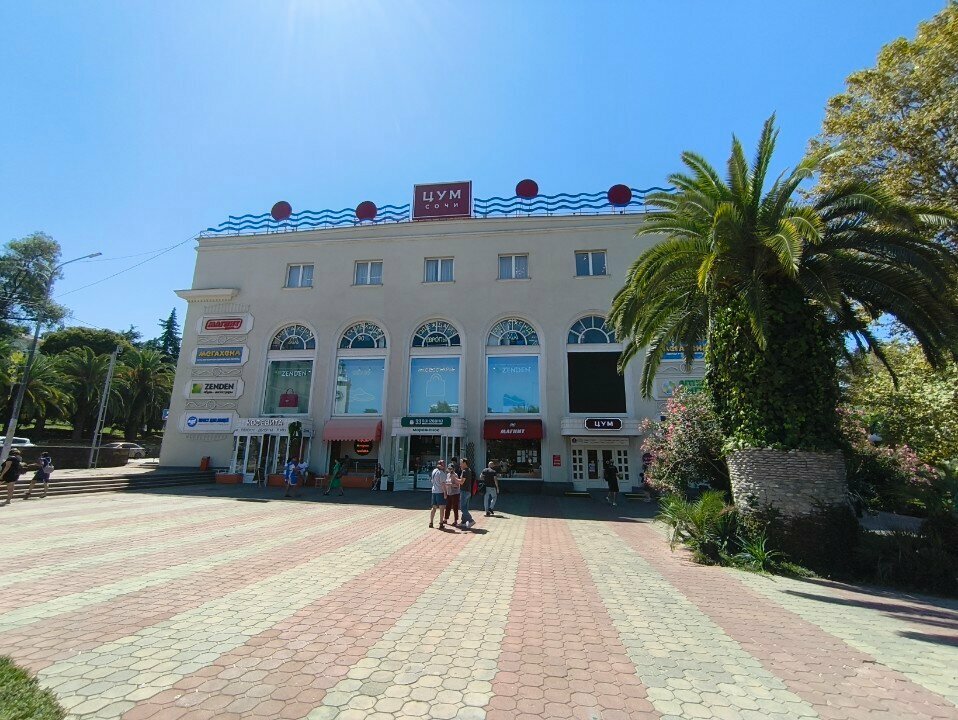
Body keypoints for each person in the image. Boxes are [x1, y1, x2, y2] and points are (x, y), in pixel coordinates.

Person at [458, 458, 477, 528]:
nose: (460, 464)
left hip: (464, 491)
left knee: (463, 508)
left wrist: (454, 479)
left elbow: (461, 482)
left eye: (461, 463)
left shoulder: (465, 471)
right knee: (465, 507)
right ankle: (463, 522)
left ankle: (471, 520)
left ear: (464, 463)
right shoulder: (469, 470)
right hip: (468, 491)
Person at [443, 461, 463, 528]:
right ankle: (445, 519)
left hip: (455, 493)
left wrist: (450, 484)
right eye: (449, 468)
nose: (450, 470)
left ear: (454, 469)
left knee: (455, 507)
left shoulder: (455, 475)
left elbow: (457, 485)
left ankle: (455, 520)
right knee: (448, 507)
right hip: (449, 493)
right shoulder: (448, 475)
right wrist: (445, 492)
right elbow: (446, 483)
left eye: (451, 468)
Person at [429, 459, 446, 528]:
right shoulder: (441, 473)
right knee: (442, 507)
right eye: (443, 465)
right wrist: (445, 493)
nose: (444, 466)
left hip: (434, 491)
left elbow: (431, 480)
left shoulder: (434, 471)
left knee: (434, 507)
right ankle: (441, 523)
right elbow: (443, 484)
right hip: (440, 491)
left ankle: (431, 522)